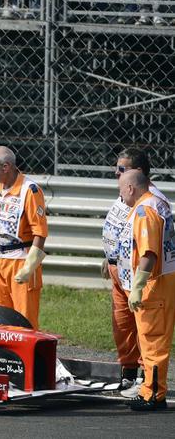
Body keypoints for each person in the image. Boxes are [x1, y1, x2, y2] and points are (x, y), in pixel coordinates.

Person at [101, 148, 170, 396]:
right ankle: (133, 377)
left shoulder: (147, 204)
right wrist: (109, 256)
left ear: (135, 175)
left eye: (121, 170)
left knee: (148, 334)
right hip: (123, 271)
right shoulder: (129, 197)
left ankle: (149, 386)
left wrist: (138, 285)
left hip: (144, 278)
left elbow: (149, 251)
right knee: (125, 328)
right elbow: (119, 230)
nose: (116, 174)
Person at [116, 170, 175, 411]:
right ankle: (152, 389)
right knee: (151, 339)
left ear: (130, 188)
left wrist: (138, 287)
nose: (120, 195)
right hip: (160, 282)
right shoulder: (155, 203)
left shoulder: (144, 211)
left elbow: (148, 253)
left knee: (152, 340)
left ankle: (153, 393)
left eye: (121, 189)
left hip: (153, 285)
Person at [0, 146, 48, 329]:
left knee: (23, 320)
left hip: (20, 261)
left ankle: (28, 357)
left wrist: (29, 267)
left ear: (5, 167)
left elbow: (40, 232)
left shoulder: (29, 191)